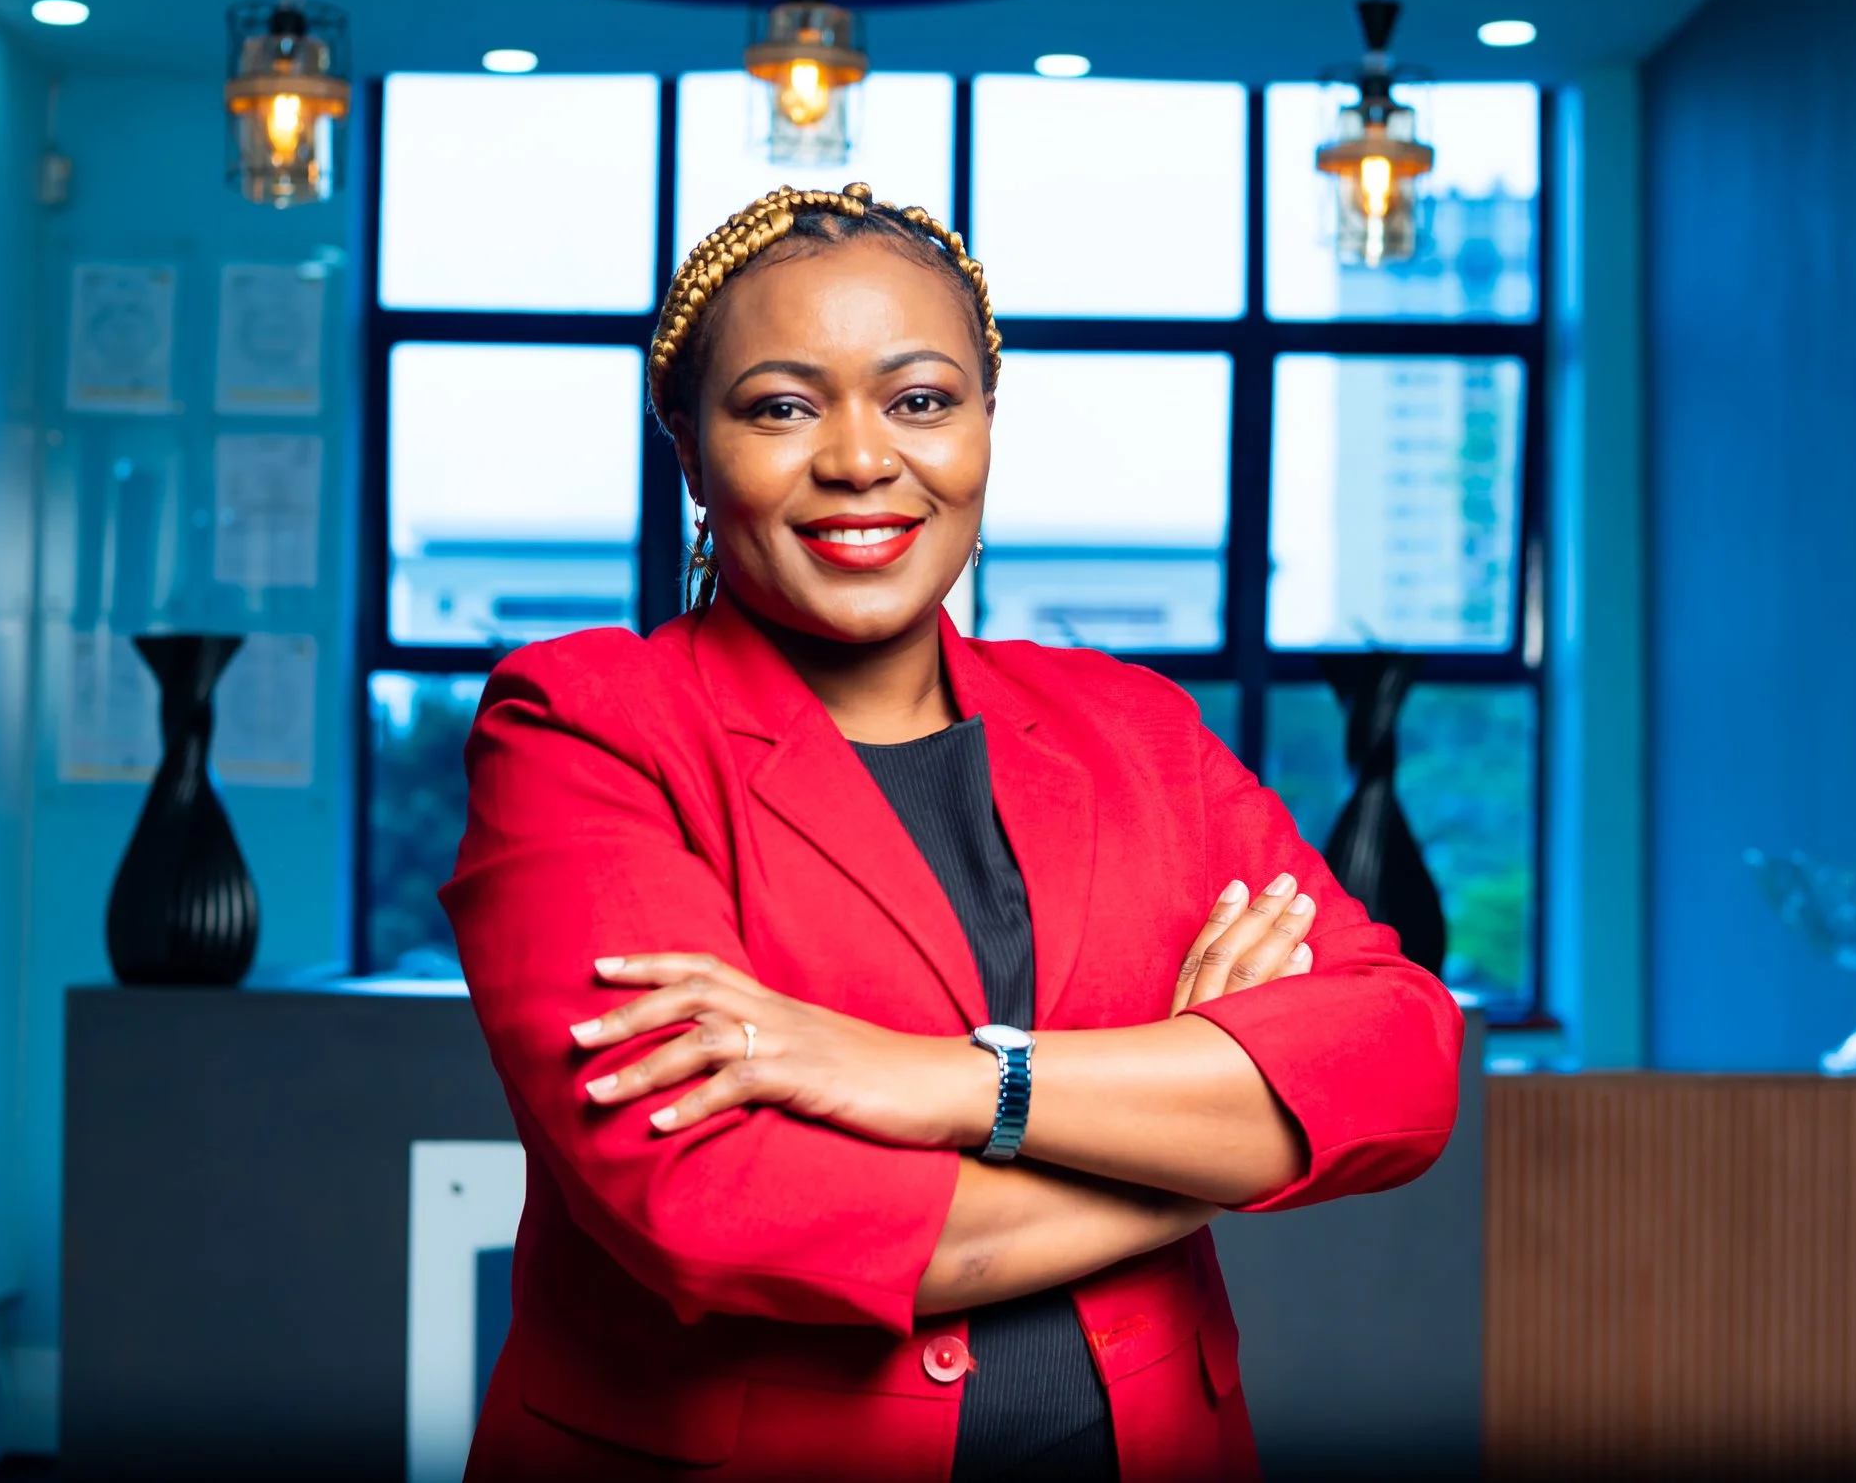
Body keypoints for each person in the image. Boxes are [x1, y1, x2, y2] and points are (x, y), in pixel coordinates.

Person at [440, 183, 1462, 1481]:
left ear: (984, 424)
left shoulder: (1130, 729)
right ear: (689, 451)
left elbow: (1401, 1060)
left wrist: (952, 1082)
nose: (862, 460)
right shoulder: (586, 726)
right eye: (781, 407)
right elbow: (711, 1204)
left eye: (920, 400)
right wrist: (1203, 1144)